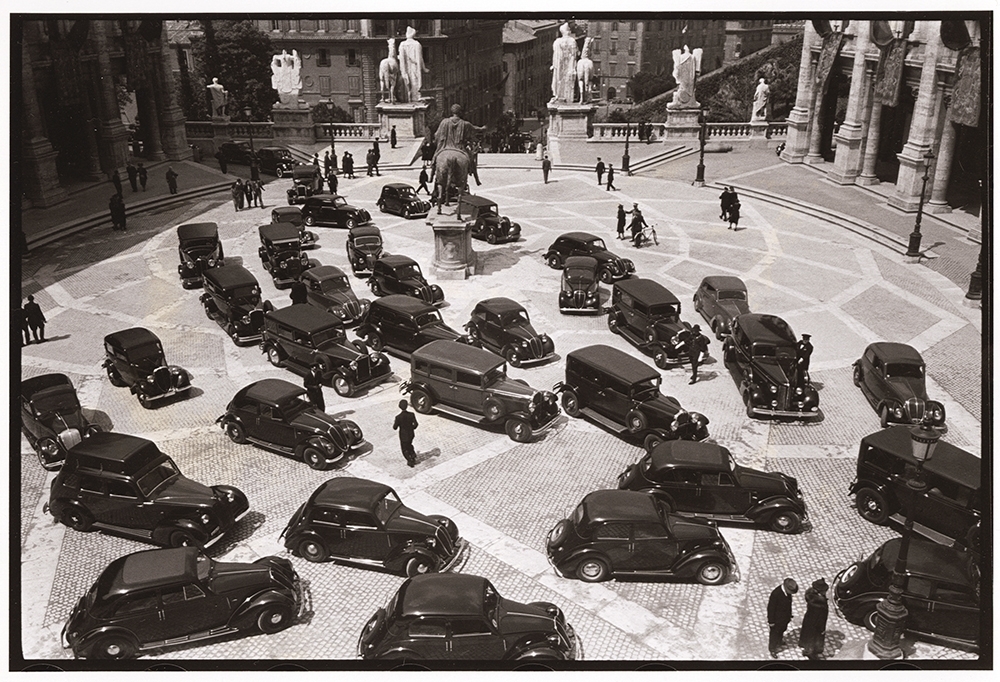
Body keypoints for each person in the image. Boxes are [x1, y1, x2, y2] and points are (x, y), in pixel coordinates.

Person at [799, 578, 829, 660]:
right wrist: (822, 629)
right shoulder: (819, 604)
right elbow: (821, 618)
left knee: (808, 636)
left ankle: (806, 648)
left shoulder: (810, 595)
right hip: (815, 625)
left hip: (809, 620)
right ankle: (810, 653)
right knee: (813, 639)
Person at [767, 578, 798, 658]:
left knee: (782, 630)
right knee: (774, 635)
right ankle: (772, 649)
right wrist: (771, 621)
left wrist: (789, 615)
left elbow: (788, 604)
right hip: (776, 620)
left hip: (784, 619)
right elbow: (771, 609)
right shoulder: (776, 594)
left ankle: (779, 641)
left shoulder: (788, 593)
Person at [550, 23, 578, 103]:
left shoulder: (557, 41)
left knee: (559, 80)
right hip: (566, 65)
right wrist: (572, 67)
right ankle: (563, 96)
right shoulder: (572, 41)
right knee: (565, 81)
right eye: (568, 29)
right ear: (565, 31)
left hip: (561, 65)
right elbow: (574, 55)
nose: (570, 30)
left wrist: (554, 65)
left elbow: (556, 55)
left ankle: (559, 95)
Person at [393, 399, 419, 467]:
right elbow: (416, 424)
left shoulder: (398, 417)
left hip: (403, 435)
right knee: (409, 444)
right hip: (411, 434)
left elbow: (395, 427)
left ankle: (410, 460)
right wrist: (411, 428)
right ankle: (413, 455)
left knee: (404, 449)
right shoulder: (411, 414)